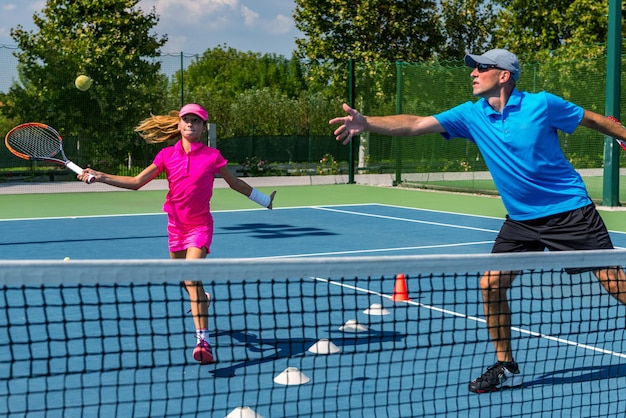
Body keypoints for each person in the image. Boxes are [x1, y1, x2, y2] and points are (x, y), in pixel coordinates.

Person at [329, 48, 626, 393]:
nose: (472, 72)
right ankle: (505, 363)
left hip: (568, 210)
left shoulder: (542, 104)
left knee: (613, 281)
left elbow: (591, 118)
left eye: (482, 67)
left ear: (504, 75)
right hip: (521, 219)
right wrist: (367, 124)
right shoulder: (471, 115)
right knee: (490, 284)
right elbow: (415, 123)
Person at [78, 103, 276, 365]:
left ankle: (203, 341)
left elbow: (234, 183)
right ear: (179, 124)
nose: (190, 124)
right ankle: (203, 299)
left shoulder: (212, 156)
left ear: (204, 127)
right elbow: (137, 182)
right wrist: (101, 176)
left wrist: (263, 199)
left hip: (200, 227)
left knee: (193, 277)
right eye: (186, 120)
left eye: (196, 121)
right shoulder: (165, 155)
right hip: (175, 227)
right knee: (183, 279)